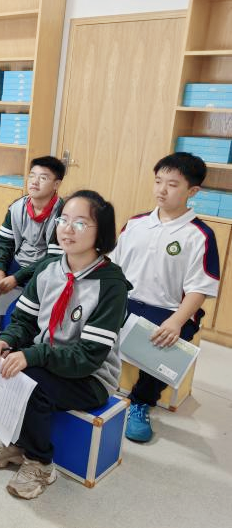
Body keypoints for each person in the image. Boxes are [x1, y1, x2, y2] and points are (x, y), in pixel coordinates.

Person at [0, 190, 130, 500]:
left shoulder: (111, 285)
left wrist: (31, 355)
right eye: (63, 220)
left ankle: (41, 462)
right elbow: (24, 321)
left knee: (31, 384)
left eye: (80, 223)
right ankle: (16, 443)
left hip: (91, 376)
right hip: (49, 360)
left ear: (101, 232)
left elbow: (89, 356)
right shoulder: (48, 268)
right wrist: (5, 340)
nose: (67, 229)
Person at [110, 152, 220, 442]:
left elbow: (199, 289)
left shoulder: (200, 235)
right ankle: (97, 386)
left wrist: (176, 321)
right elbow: (113, 268)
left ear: (192, 191)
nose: (161, 190)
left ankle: (141, 402)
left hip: (169, 309)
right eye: (158, 181)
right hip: (127, 301)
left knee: (165, 340)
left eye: (172, 184)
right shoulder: (135, 224)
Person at [0, 156, 65, 327]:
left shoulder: (62, 214)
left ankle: (7, 338)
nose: (34, 182)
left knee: (15, 313)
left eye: (43, 178)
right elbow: (3, 242)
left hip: (43, 271)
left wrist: (16, 278)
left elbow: (53, 259)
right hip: (17, 262)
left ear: (56, 184)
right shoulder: (18, 207)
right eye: (32, 176)